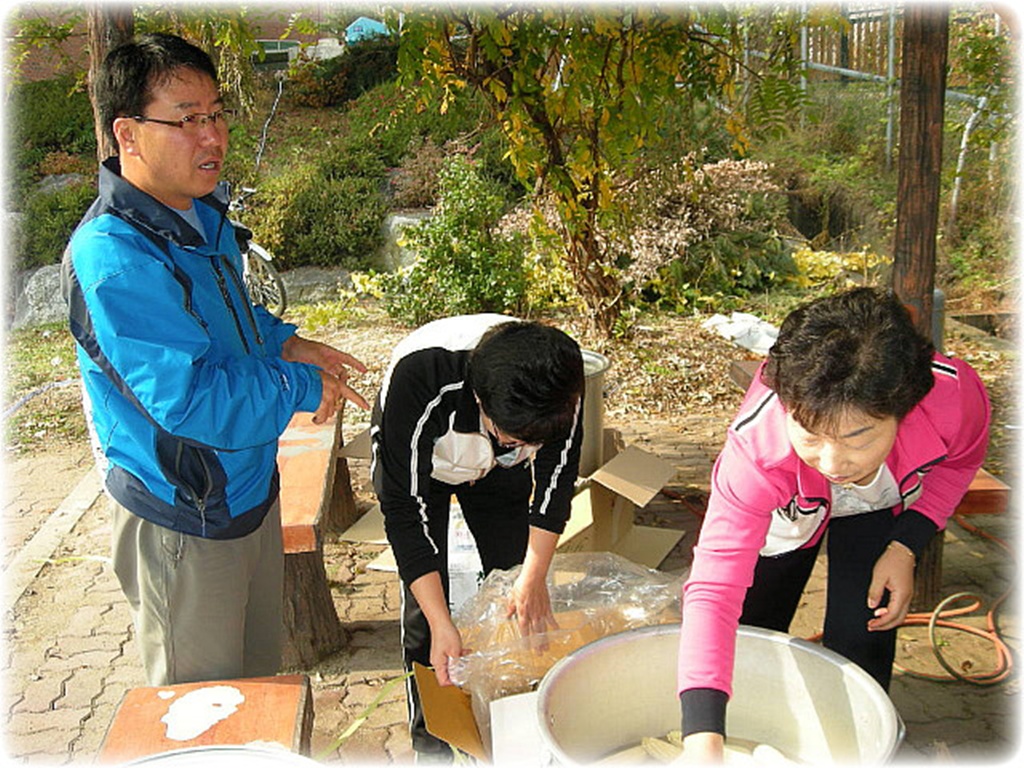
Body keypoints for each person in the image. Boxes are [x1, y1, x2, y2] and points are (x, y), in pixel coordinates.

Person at [61, 32, 369, 686]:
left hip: (246, 492)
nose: (212, 136)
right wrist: (298, 385)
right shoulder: (116, 256)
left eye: (217, 114)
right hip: (184, 516)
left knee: (256, 686)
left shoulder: (197, 216)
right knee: (205, 712)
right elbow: (190, 398)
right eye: (187, 120)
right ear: (128, 134)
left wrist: (282, 341)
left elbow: (223, 320)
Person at [677, 287, 990, 761]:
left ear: (904, 410)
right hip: (788, 500)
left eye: (858, 438)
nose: (832, 463)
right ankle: (740, 726)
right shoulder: (758, 452)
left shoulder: (951, 398)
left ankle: (854, 744)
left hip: (879, 499)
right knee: (750, 623)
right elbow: (714, 589)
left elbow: (960, 463)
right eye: (810, 435)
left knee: (863, 629)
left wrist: (907, 543)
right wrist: (701, 738)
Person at [371, 313, 585, 761]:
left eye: (526, 441)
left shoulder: (558, 384)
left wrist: (533, 576)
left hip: (499, 475)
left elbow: (555, 485)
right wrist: (440, 621)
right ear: (480, 400)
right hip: (424, 465)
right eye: (508, 435)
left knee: (515, 597)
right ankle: (433, 746)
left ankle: (511, 729)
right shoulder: (422, 378)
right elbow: (403, 511)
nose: (515, 444)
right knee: (427, 620)